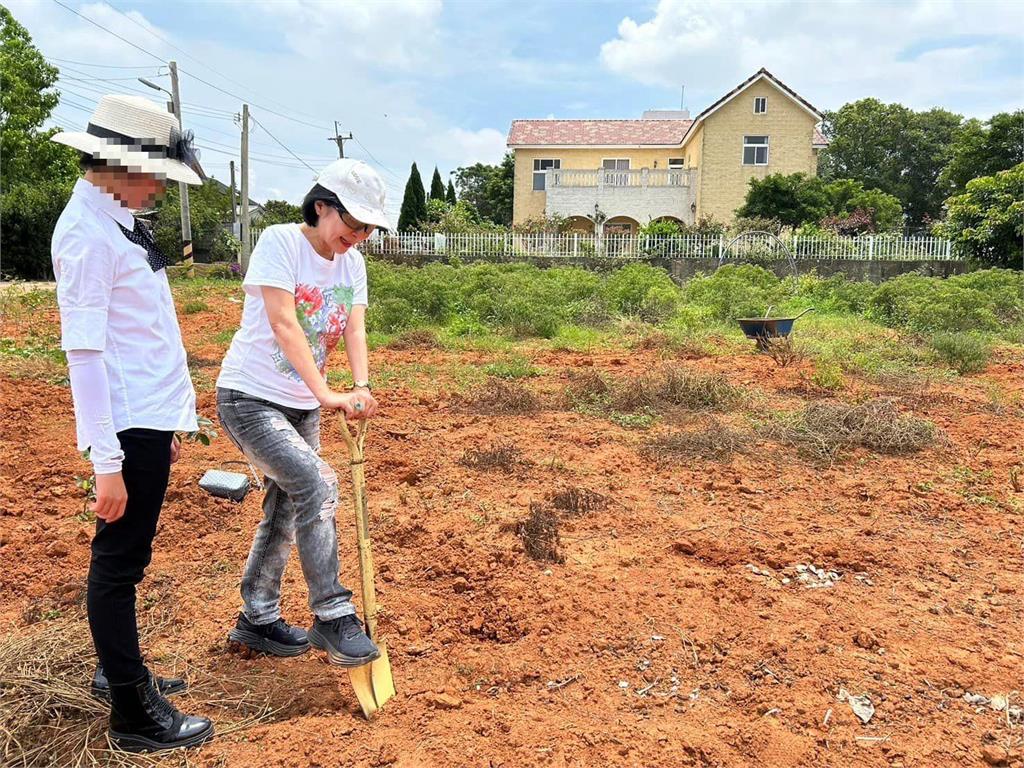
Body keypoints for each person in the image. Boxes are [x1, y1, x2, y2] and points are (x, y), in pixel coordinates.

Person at [50, 94, 214, 752]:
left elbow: (143, 334)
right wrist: (106, 462)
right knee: (117, 565)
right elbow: (84, 354)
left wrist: (170, 423)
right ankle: (132, 713)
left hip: (146, 418)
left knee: (128, 558)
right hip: (123, 426)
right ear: (117, 163)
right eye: (154, 175)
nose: (157, 188)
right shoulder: (86, 235)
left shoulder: (116, 218)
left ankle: (119, 670)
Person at [216, 159, 388, 668]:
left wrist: (359, 386)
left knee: (288, 505)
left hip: (300, 405)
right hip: (249, 398)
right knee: (317, 483)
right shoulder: (281, 242)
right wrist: (327, 392)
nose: (357, 236)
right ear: (322, 207)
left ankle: (258, 618)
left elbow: (354, 328)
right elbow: (284, 324)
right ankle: (333, 613)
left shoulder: (353, 264)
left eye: (367, 228)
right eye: (352, 224)